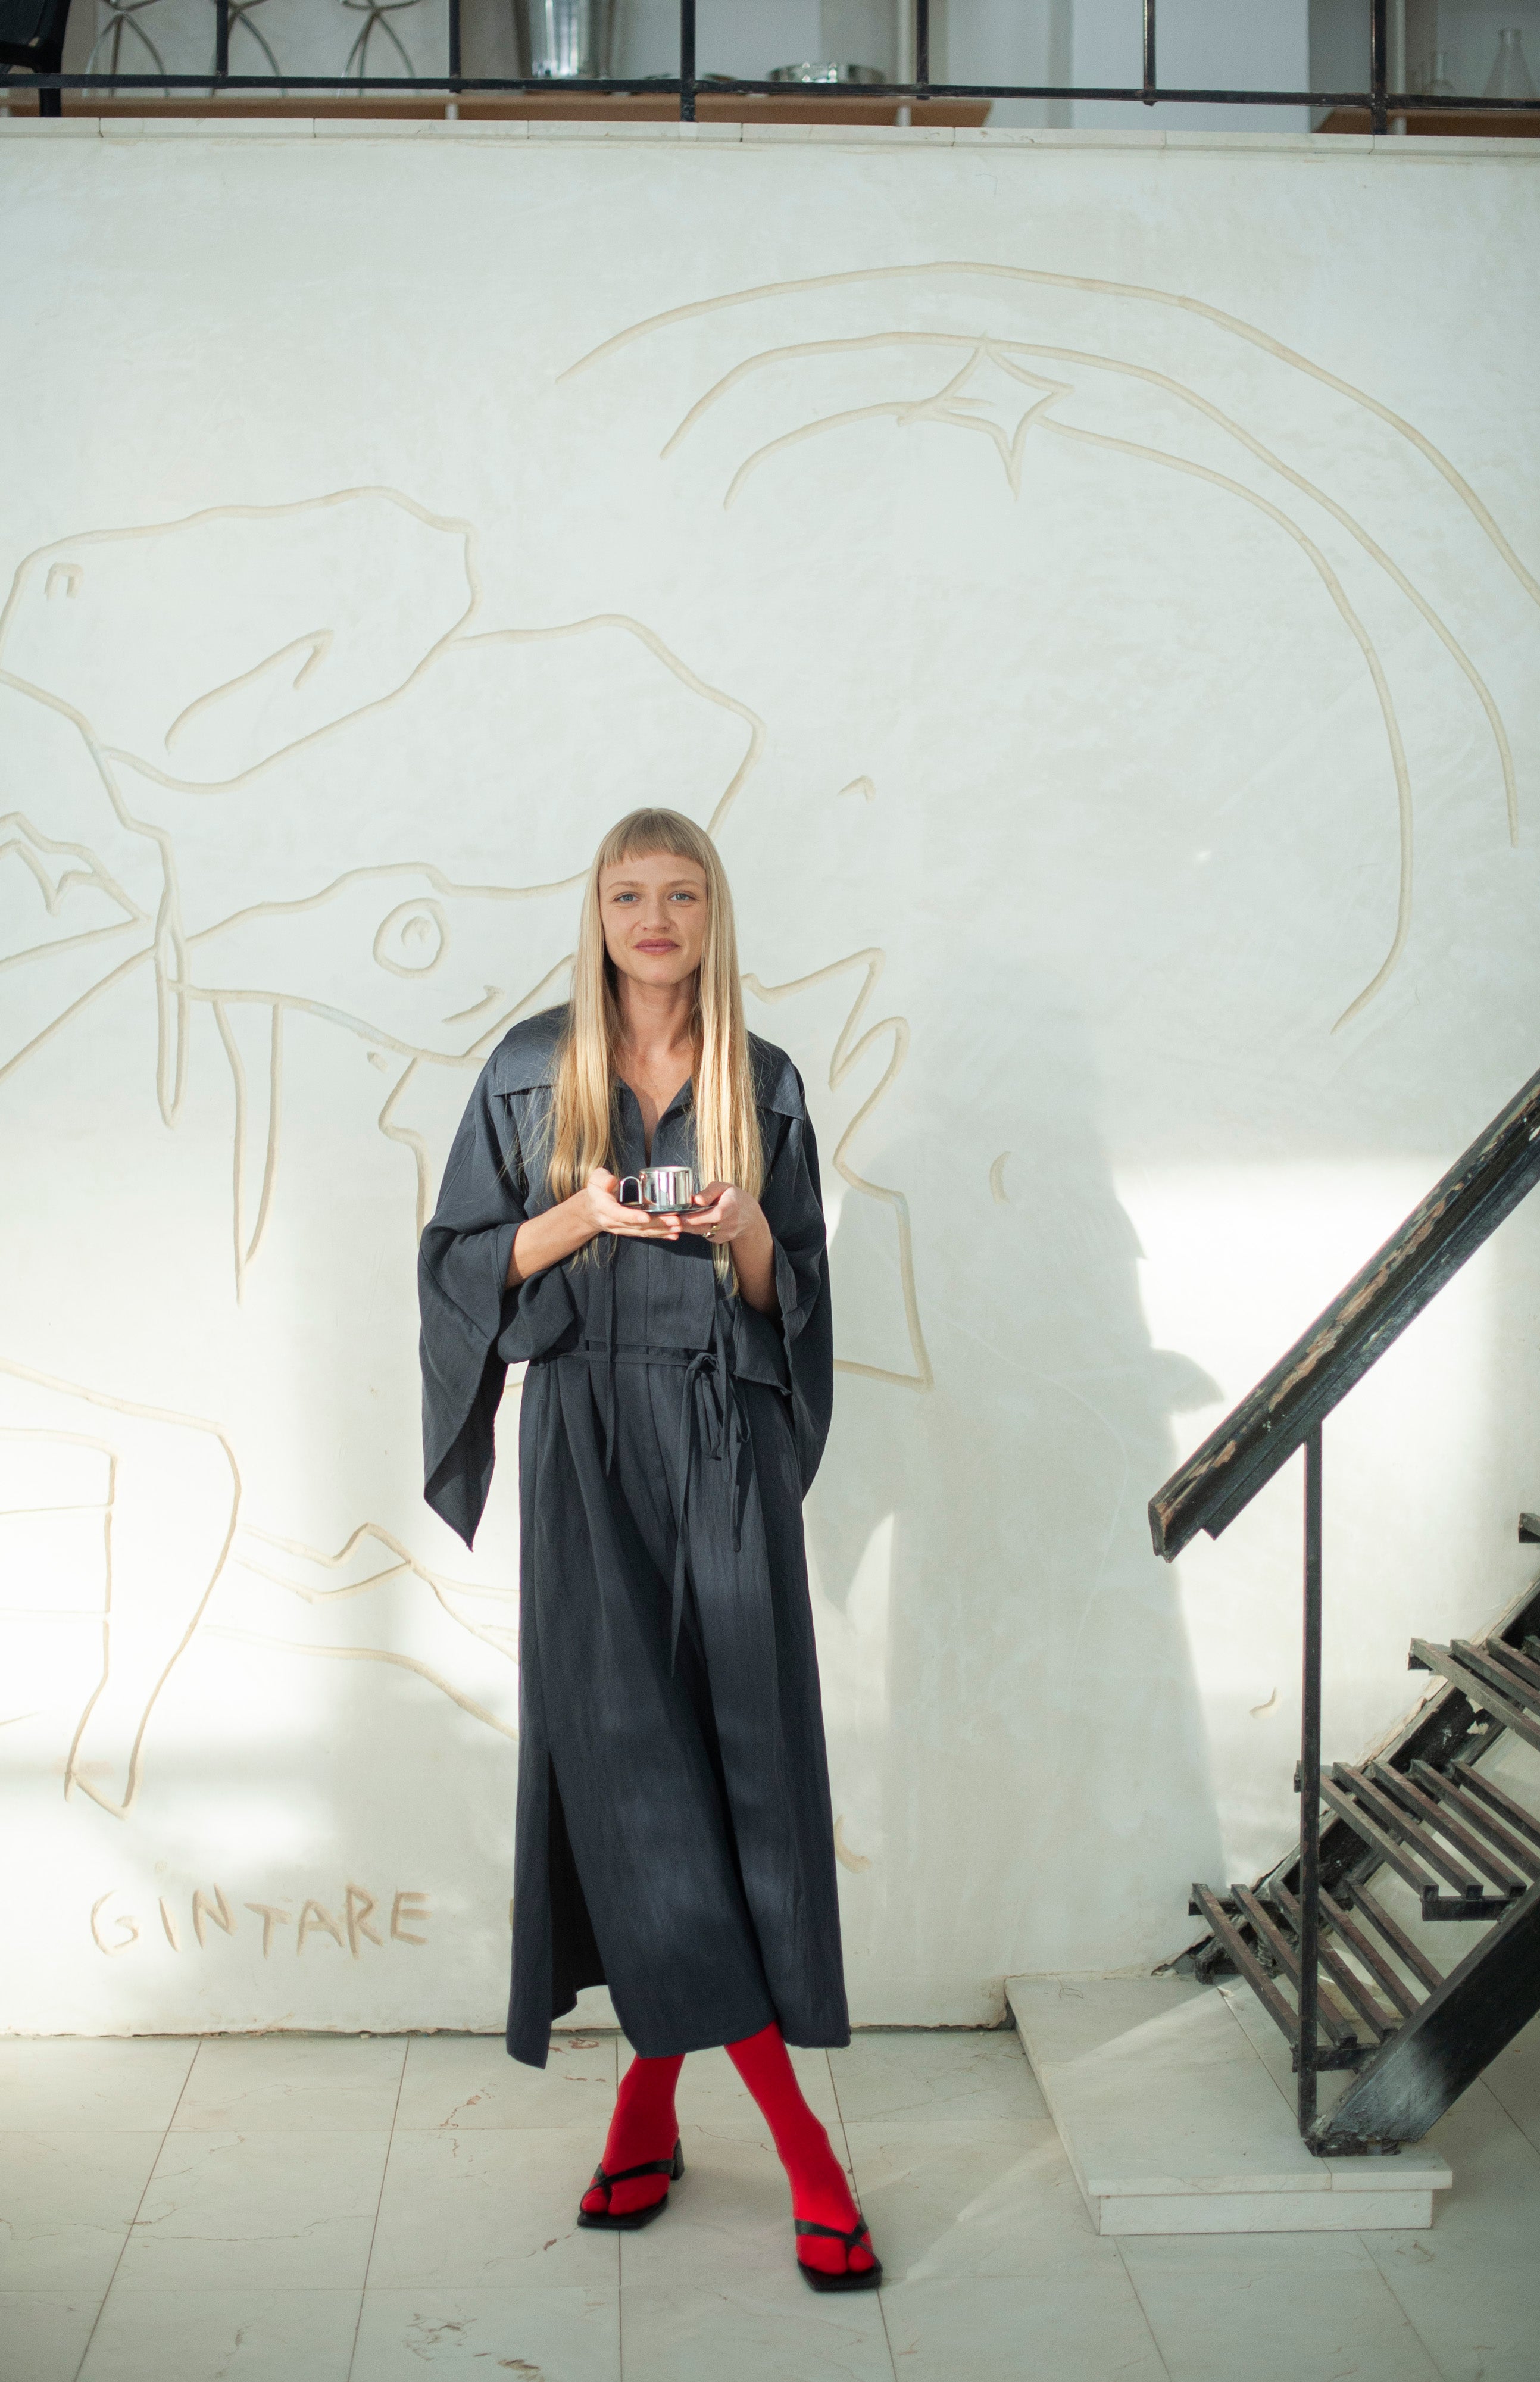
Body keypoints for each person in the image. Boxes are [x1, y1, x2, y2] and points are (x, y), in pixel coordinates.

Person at [418, 807, 880, 2290]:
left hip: (726, 1446)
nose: (656, 916)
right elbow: (456, 1266)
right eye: (630, 892)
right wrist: (585, 1216)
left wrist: (742, 1226)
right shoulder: (525, 1066)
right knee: (631, 1784)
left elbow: (790, 1290)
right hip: (585, 1448)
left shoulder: (768, 1080)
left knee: (733, 1774)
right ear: (598, 910)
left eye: (681, 892)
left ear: (711, 910)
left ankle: (644, 2101)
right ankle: (805, 2153)